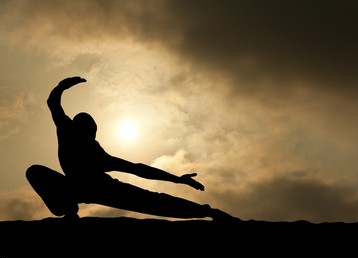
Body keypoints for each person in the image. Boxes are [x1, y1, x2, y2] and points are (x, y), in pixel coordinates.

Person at [26, 76, 239, 221]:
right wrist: (62, 86)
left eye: (86, 128)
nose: (81, 129)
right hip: (73, 187)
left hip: (105, 189)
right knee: (35, 171)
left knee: (153, 202)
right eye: (79, 125)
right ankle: (68, 209)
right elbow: (53, 103)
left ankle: (209, 212)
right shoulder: (66, 131)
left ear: (91, 133)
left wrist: (178, 179)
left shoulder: (96, 153)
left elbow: (139, 169)